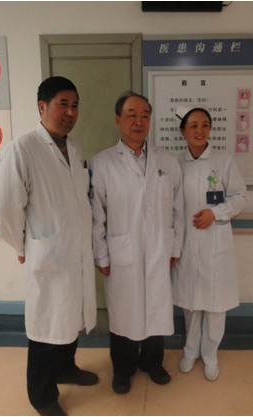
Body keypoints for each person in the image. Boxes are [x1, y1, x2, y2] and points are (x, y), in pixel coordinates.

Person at [0, 76, 98, 416]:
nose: (70, 112)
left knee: (70, 318)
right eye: (63, 104)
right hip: (47, 253)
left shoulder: (75, 149)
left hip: (75, 252)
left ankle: (66, 368)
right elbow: (7, 208)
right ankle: (41, 396)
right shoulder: (22, 149)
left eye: (75, 105)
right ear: (42, 106)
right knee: (45, 326)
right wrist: (21, 246)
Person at [90, 92, 184, 395]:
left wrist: (175, 247)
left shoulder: (167, 162)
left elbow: (178, 210)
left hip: (159, 250)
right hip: (122, 252)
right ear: (118, 120)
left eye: (145, 115)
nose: (138, 121)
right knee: (124, 313)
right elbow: (96, 214)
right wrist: (101, 255)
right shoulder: (103, 163)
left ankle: (153, 363)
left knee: (156, 308)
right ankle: (123, 369)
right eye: (131, 114)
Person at [172, 107, 247, 381]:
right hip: (187, 242)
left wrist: (214, 213)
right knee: (191, 303)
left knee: (215, 304)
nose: (200, 130)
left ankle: (211, 354)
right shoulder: (175, 164)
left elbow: (240, 196)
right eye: (193, 125)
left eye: (205, 125)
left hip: (215, 241)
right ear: (183, 131)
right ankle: (190, 351)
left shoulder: (223, 161)